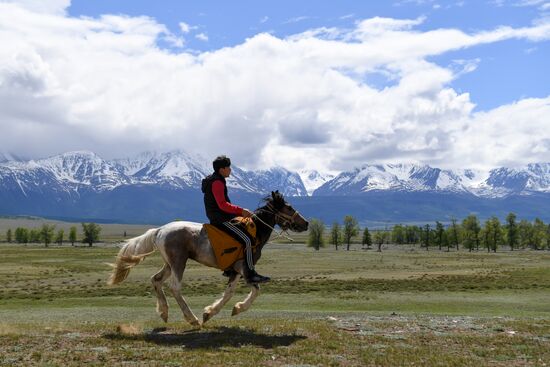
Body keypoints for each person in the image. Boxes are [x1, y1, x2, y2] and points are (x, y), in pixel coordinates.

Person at [201, 155, 270, 284]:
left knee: (240, 236)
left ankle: (230, 268)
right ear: (222, 169)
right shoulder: (217, 183)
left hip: (220, 217)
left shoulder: (216, 180)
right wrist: (241, 211)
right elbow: (222, 205)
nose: (230, 170)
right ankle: (250, 274)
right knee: (248, 240)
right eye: (228, 167)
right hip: (220, 219)